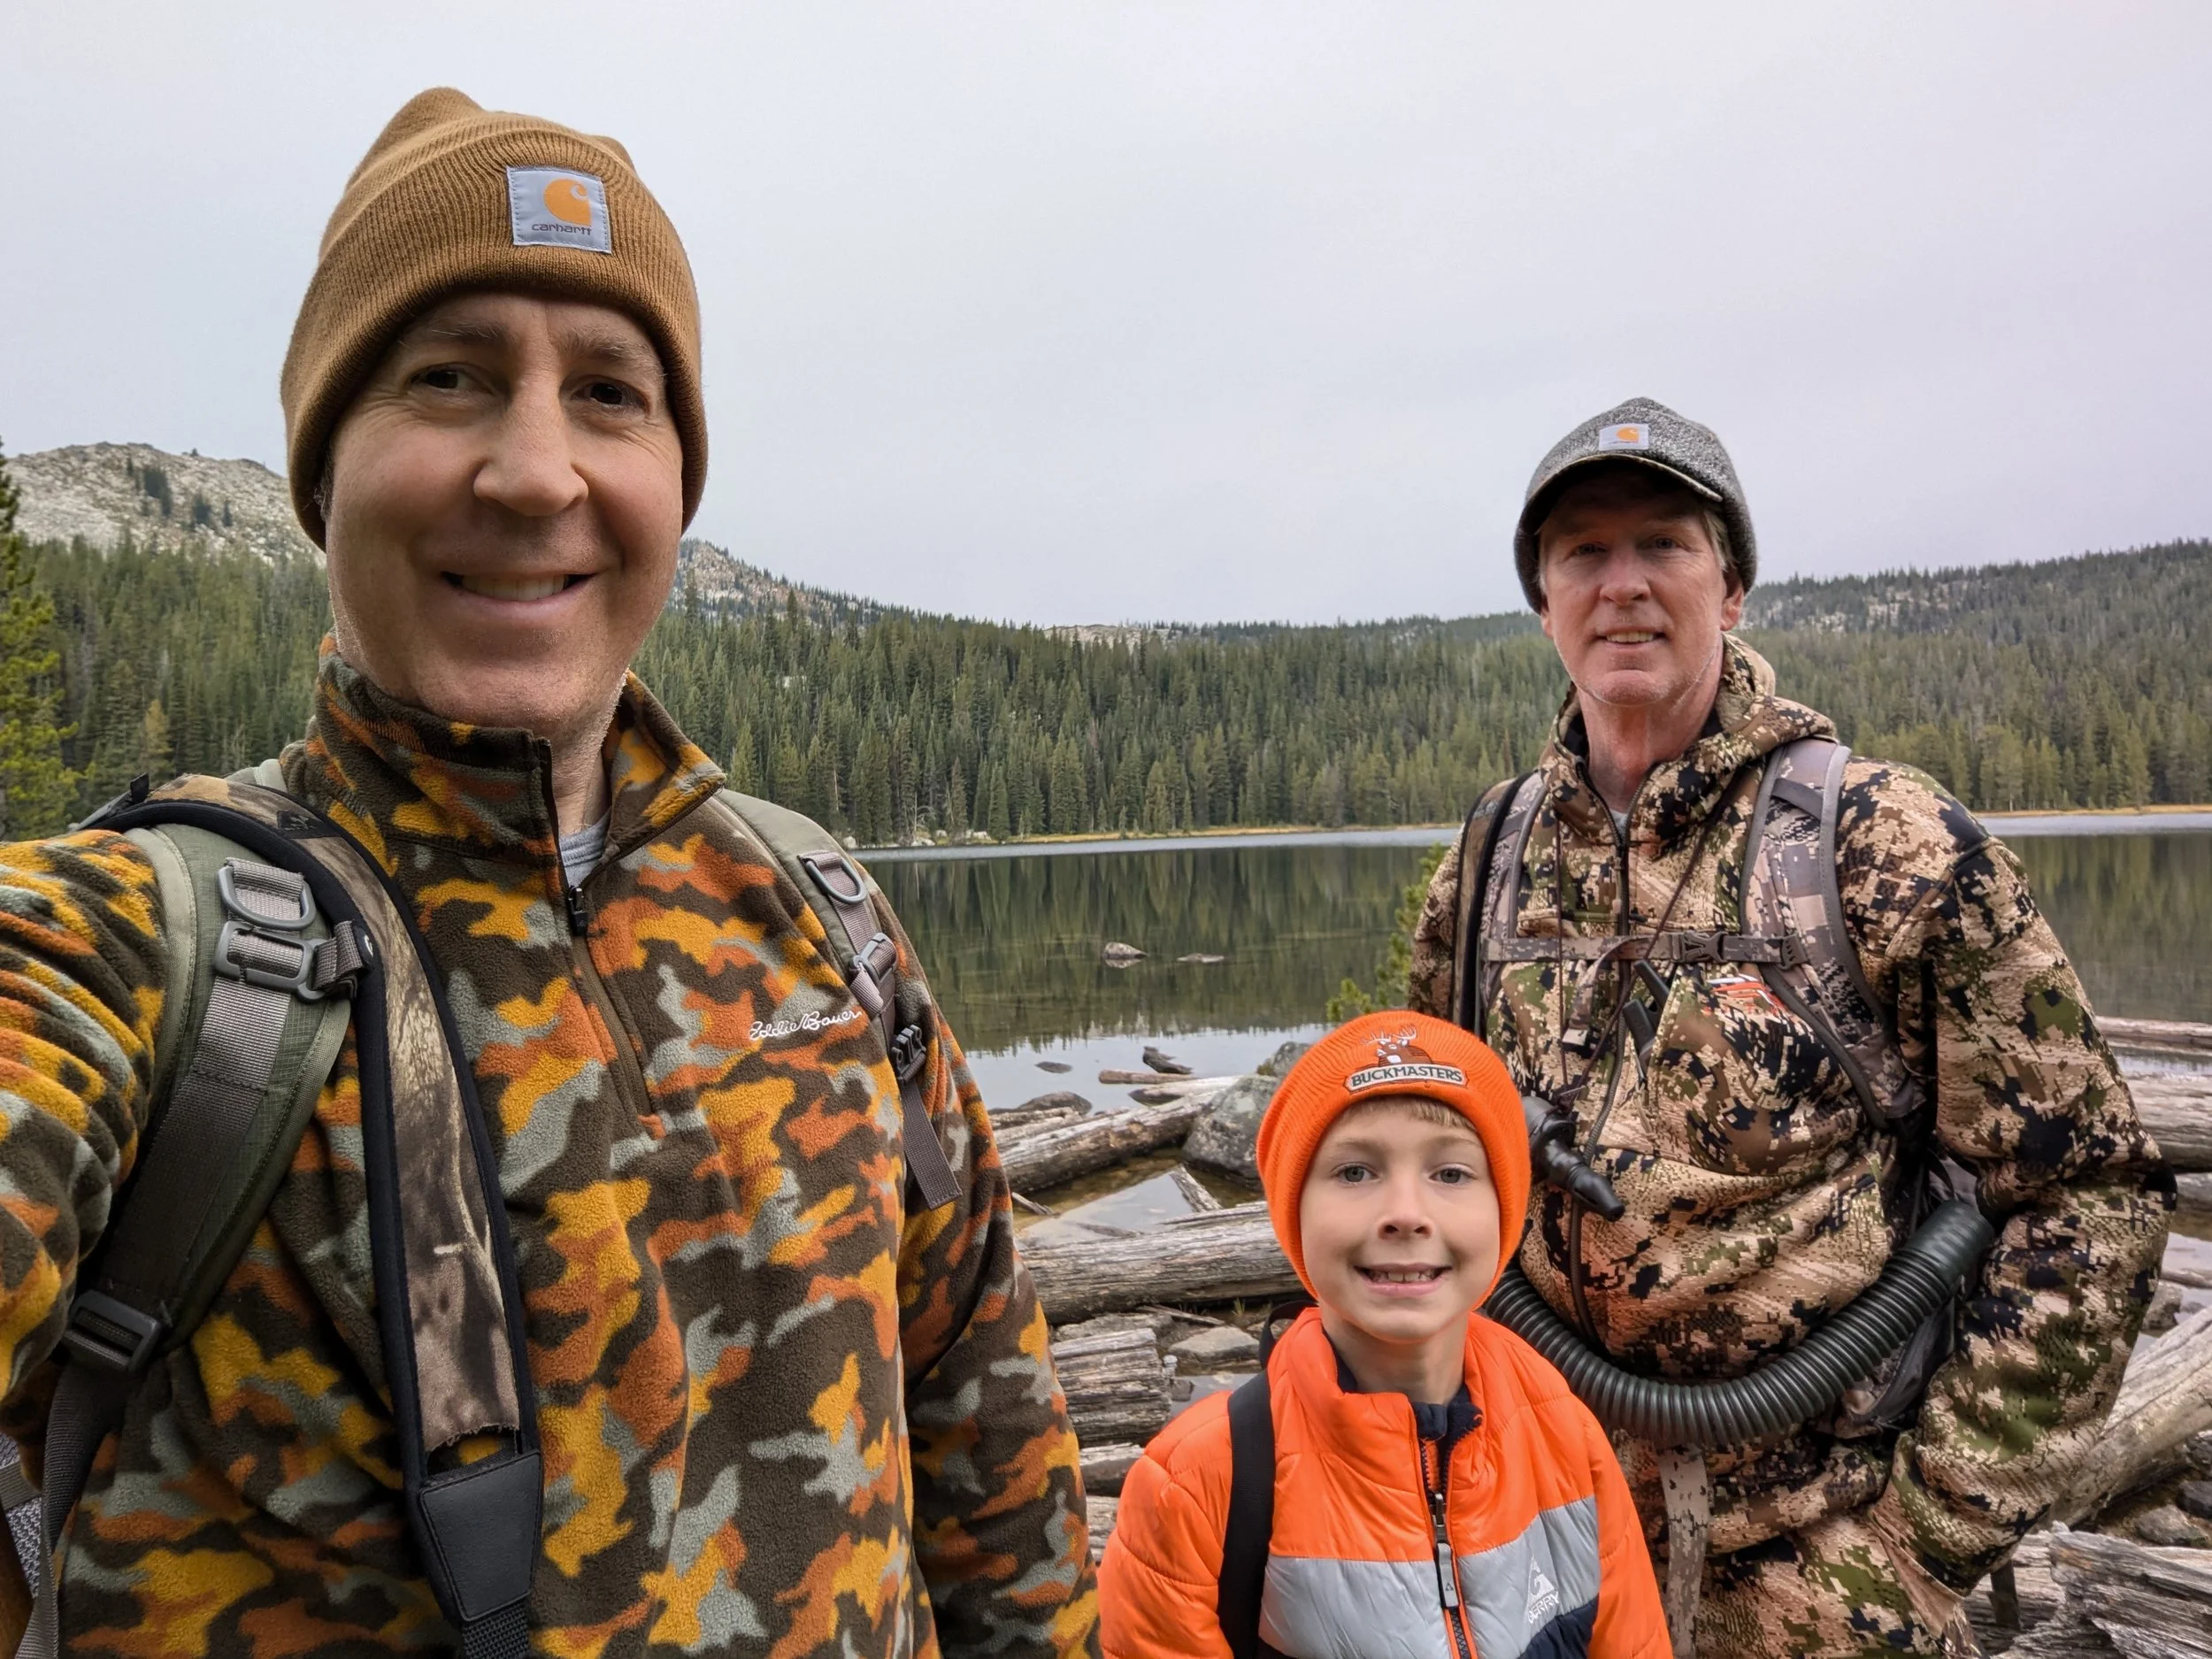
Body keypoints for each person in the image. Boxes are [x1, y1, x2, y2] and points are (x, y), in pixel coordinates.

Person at [0, 89, 1097, 1655]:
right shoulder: (147, 951)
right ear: (323, 471)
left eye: (608, 392)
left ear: (676, 478)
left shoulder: (824, 919)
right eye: (447, 379)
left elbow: (998, 1469)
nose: (533, 470)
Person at [1406, 397, 2173, 1657]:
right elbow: (1420, 1159)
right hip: (1542, 1547)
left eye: (1665, 542)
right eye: (1583, 554)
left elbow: (2090, 1198)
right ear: (1543, 602)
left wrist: (1921, 1548)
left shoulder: (1881, 842)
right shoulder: (1492, 858)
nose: (1624, 585)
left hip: (1820, 1570)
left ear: (1738, 583)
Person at [1099, 1011, 1669, 1659]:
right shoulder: (1197, 1484)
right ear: (1294, 1213)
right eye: (1355, 1172)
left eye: (1450, 1173)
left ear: (1504, 1209)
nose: (1405, 1213)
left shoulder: (1567, 1435)